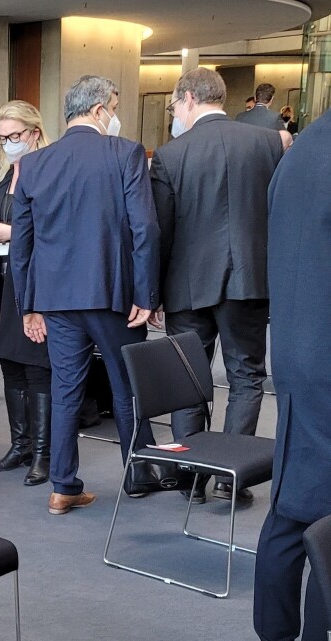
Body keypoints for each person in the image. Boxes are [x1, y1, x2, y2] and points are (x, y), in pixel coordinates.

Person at [10, 75, 161, 515]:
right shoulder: (125, 152)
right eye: (113, 106)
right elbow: (144, 227)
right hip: (114, 293)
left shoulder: (34, 165)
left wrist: (28, 305)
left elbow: (23, 242)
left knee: (66, 389)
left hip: (56, 298)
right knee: (127, 386)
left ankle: (62, 486)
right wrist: (146, 292)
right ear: (98, 110)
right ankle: (136, 475)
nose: (115, 115)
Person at [150, 68, 284, 504]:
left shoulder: (171, 155)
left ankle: (191, 477)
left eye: (174, 105)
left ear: (188, 98)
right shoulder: (268, 144)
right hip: (250, 280)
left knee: (188, 378)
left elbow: (161, 232)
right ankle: (231, 477)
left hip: (187, 284)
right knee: (246, 377)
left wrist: (152, 293)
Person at [253, 110, 331, 641]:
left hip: (303, 351)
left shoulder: (305, 149)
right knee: (303, 512)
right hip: (319, 354)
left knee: (297, 507)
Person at [0, 100, 53, 487]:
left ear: (34, 132)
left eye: (14, 136)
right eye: (2, 138)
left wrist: (13, 233)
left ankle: (42, 453)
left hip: (35, 280)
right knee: (9, 364)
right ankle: (20, 446)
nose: (7, 144)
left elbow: (58, 230)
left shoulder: (51, 171)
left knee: (37, 366)